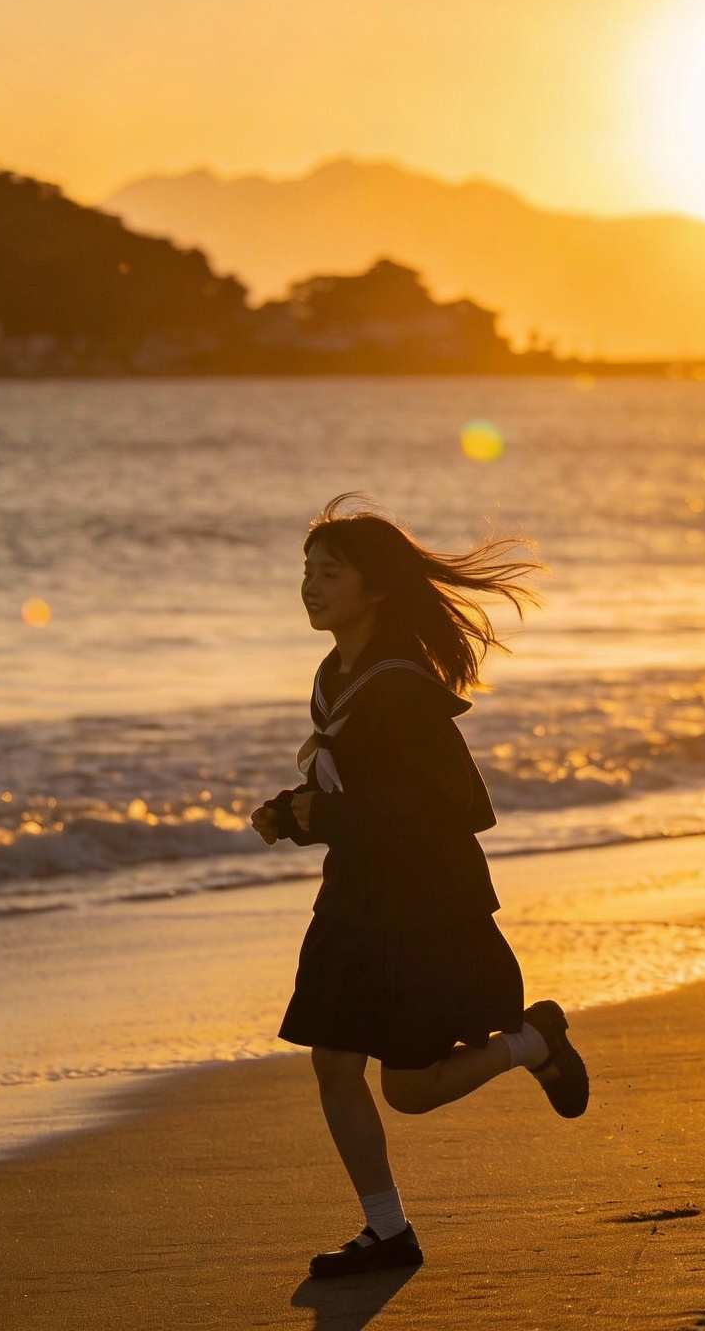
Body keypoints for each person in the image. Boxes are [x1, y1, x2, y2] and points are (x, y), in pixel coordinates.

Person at [251, 494, 591, 1280]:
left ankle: (533, 1042)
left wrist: (329, 816)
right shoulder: (334, 675)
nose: (310, 586)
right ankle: (388, 1232)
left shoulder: (401, 684)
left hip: (424, 908)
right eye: (306, 572)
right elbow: (356, 795)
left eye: (329, 573)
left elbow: (464, 806)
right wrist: (296, 815)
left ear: (373, 588)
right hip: (354, 900)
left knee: (408, 1090)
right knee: (333, 1067)